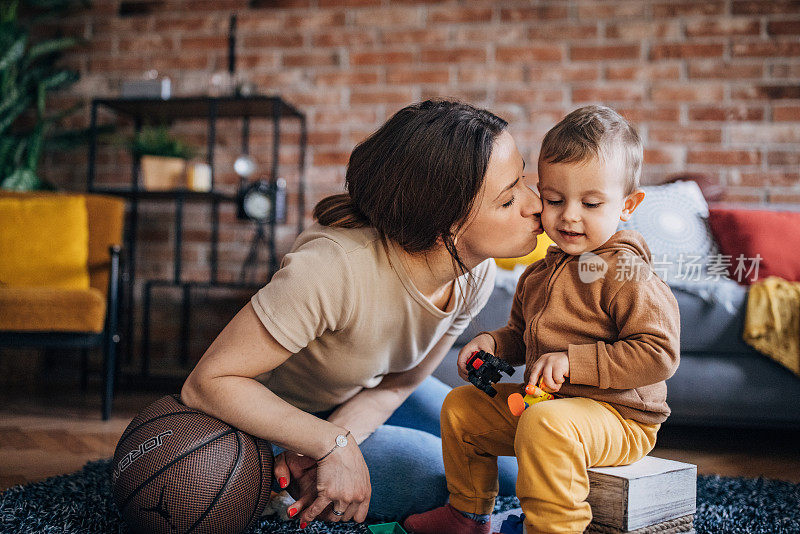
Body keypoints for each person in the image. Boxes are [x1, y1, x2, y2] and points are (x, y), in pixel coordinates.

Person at [180, 100, 544, 527]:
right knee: (438, 475)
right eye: (507, 200)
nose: (535, 204)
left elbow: (401, 382)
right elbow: (207, 383)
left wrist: (338, 441)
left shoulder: (474, 274)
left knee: (515, 467)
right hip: (264, 421)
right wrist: (325, 442)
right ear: (446, 223)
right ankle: (282, 480)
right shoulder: (334, 268)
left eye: (522, 178)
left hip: (360, 397)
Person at [403, 105, 681, 534]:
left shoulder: (627, 274)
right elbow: (521, 335)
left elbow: (659, 354)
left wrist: (575, 362)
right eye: (554, 200)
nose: (569, 215)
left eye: (590, 203)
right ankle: (468, 514)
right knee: (461, 408)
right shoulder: (538, 274)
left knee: (546, 423)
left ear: (628, 205)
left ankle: (553, 528)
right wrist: (493, 345)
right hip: (547, 406)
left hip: (621, 417)